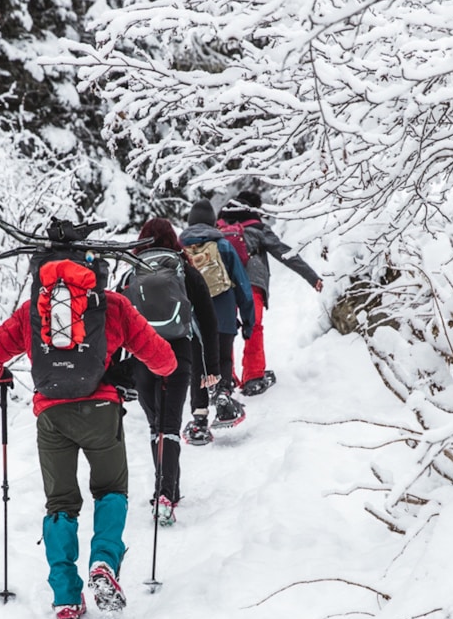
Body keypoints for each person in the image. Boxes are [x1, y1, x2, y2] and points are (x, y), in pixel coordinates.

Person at [0, 277, 177, 619]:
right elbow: (165, 361)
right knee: (111, 490)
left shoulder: (33, 312)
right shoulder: (112, 306)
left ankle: (66, 598)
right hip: (101, 411)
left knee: (60, 503)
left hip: (52, 416)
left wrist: (1, 375)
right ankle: (104, 562)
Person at [128, 218, 220, 525]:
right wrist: (212, 368)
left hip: (142, 353)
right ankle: (167, 494)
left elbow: (115, 318)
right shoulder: (186, 271)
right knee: (170, 424)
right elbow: (208, 321)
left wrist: (113, 369)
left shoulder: (132, 271)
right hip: (179, 352)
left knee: (156, 426)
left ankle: (164, 490)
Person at [217, 187, 323, 396]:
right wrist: (313, 277)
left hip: (223, 285)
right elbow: (285, 253)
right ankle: (253, 378)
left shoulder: (219, 227)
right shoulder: (258, 228)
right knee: (253, 327)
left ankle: (225, 379)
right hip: (251, 284)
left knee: (224, 331)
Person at [179, 198, 255, 443]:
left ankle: (199, 421)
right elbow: (242, 284)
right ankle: (222, 397)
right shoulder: (222, 245)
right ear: (213, 222)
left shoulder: (179, 248)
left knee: (198, 367)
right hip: (222, 314)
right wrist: (248, 320)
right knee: (222, 357)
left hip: (193, 319)